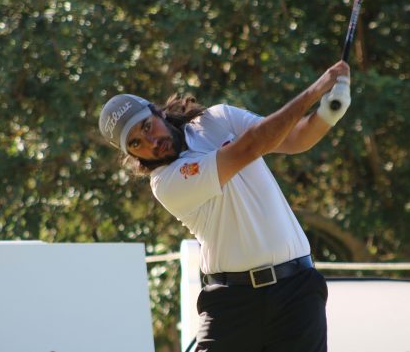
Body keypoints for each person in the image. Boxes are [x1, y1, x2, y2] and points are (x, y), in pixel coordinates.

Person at [99, 60, 351, 352]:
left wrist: (329, 112)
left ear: (157, 111)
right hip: (232, 303)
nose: (152, 141)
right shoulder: (165, 182)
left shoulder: (217, 118)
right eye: (137, 143)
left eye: (147, 126)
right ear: (132, 155)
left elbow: (296, 138)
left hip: (296, 292)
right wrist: (314, 90)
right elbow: (248, 148)